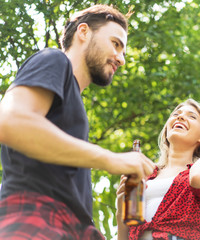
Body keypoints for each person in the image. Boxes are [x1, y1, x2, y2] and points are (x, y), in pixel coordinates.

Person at [0, 4, 155, 239]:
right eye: (116, 44)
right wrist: (110, 158)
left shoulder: (74, 105)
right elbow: (10, 121)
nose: (121, 58)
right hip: (36, 217)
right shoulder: (53, 59)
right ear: (83, 32)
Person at [116, 99, 200, 240]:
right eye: (175, 114)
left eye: (191, 116)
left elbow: (197, 178)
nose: (180, 117)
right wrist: (120, 210)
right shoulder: (145, 175)